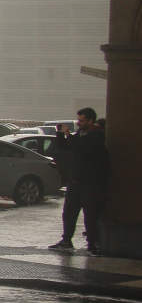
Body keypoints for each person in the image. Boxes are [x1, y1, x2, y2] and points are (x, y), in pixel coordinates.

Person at [48, 107, 110, 254]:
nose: (79, 123)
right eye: (78, 120)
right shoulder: (81, 134)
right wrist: (59, 134)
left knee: (90, 215)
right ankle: (66, 240)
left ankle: (92, 244)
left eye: (82, 121)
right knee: (69, 213)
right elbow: (66, 147)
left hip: (90, 184)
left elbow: (82, 148)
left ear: (90, 120)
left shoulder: (96, 135)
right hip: (75, 182)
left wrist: (69, 134)